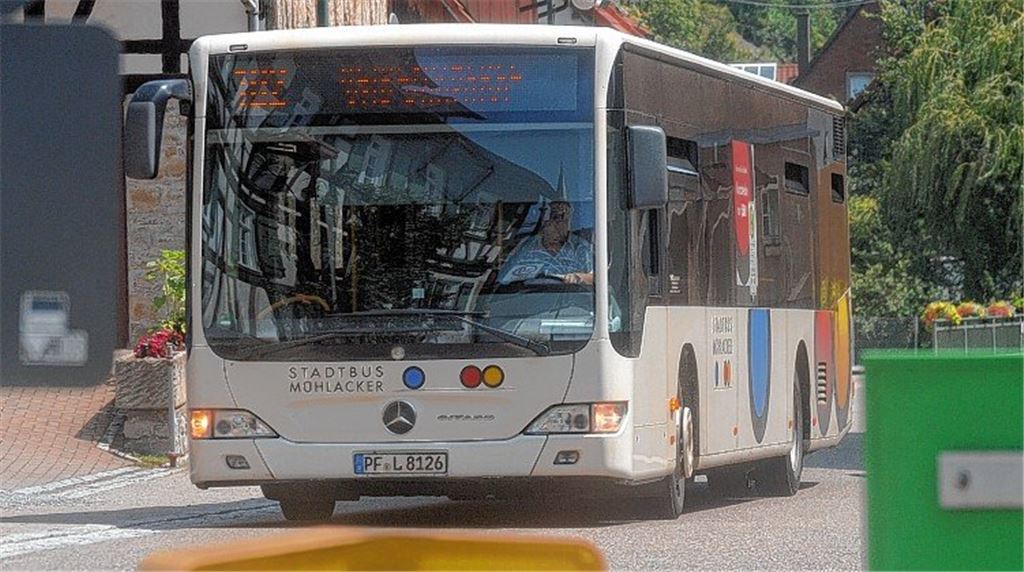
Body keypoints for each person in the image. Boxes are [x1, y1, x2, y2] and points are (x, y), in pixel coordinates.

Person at [498, 201, 594, 286]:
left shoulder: (580, 247)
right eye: (556, 218)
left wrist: (578, 277)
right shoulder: (527, 245)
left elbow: (598, 279)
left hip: (570, 300)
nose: (561, 224)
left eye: (565, 219)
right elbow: (503, 280)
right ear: (545, 221)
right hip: (527, 298)